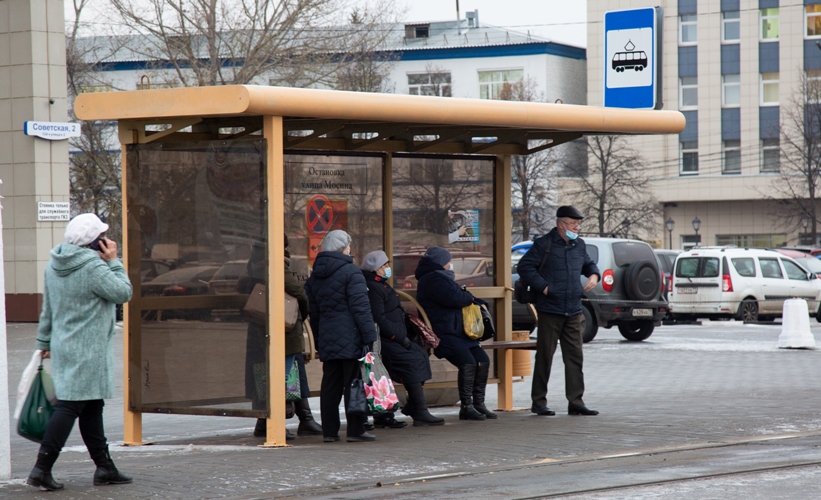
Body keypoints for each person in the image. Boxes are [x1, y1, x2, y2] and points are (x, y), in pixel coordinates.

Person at [27, 214, 133, 491]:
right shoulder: (93, 267)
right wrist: (114, 262)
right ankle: (41, 468)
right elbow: (123, 292)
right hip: (88, 348)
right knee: (70, 405)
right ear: (93, 241)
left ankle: (105, 467)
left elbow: (47, 309)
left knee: (91, 405)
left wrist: (44, 343)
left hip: (64, 345)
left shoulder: (54, 265)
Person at [517, 205, 601, 417]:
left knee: (575, 358)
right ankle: (539, 402)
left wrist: (594, 275)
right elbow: (525, 267)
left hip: (573, 309)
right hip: (549, 310)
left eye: (578, 224)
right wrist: (544, 287)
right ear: (561, 224)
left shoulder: (579, 245)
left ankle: (576, 402)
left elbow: (589, 265)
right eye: (573, 224)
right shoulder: (544, 244)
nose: (577, 227)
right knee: (545, 357)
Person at [241, 237, 323, 440]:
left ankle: (267, 420)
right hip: (283, 327)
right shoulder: (275, 263)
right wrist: (302, 315)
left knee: (265, 372)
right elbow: (298, 293)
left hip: (261, 326)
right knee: (283, 374)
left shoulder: (253, 265)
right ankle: (279, 420)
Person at [304, 230, 379, 442]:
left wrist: (319, 339)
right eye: (348, 245)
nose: (350, 249)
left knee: (330, 385)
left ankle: (329, 432)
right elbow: (361, 308)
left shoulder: (315, 275)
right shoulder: (351, 272)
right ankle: (355, 429)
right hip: (352, 335)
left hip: (328, 336)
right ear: (342, 248)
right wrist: (369, 336)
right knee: (354, 382)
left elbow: (314, 311)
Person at [360, 250, 445, 427]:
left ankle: (413, 407)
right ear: (376, 269)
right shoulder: (373, 287)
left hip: (396, 337)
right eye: (384, 265)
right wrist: (398, 336)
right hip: (386, 340)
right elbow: (379, 318)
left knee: (420, 357)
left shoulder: (380, 284)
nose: (388, 268)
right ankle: (419, 411)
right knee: (412, 361)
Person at [414, 246, 494, 421]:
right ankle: (466, 407)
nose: (451, 265)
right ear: (440, 262)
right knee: (468, 363)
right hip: (444, 332)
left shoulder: (441, 277)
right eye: (448, 261)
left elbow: (461, 294)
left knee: (482, 360)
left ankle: (478, 404)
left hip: (458, 330)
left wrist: (474, 300)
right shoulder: (433, 279)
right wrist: (470, 299)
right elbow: (456, 298)